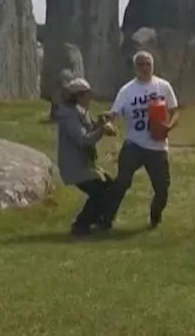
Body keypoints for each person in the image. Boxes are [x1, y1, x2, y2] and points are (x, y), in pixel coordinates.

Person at [103, 50, 179, 229]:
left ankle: (155, 217)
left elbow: (175, 111)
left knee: (162, 188)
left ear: (153, 66)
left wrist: (169, 126)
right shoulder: (127, 90)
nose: (144, 68)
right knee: (121, 183)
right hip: (134, 145)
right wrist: (107, 120)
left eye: (147, 64)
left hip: (158, 146)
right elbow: (114, 113)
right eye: (140, 65)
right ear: (135, 67)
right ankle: (106, 219)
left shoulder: (163, 86)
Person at [53, 77, 118, 237]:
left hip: (85, 164)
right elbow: (83, 140)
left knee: (109, 186)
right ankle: (81, 225)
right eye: (87, 95)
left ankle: (100, 219)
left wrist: (99, 123)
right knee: (99, 192)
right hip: (75, 166)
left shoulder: (80, 112)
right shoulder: (70, 116)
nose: (90, 98)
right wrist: (102, 130)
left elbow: (88, 131)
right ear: (78, 96)